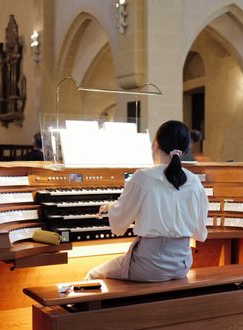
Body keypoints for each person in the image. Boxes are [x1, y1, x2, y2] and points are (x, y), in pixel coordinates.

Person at [86, 120, 209, 282]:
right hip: (182, 264)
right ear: (185, 150)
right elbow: (200, 233)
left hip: (149, 265)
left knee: (93, 274)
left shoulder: (143, 177)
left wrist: (111, 208)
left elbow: (120, 222)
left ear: (155, 144)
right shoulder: (194, 182)